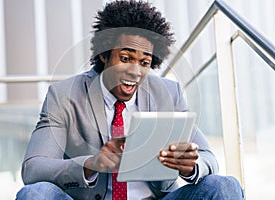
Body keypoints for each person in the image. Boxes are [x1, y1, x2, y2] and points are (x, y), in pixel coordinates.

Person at [16, 0, 243, 199]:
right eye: (125, 58)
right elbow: (33, 169)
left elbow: (208, 159)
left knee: (225, 186)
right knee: (35, 194)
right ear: (104, 55)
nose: (135, 71)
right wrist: (91, 164)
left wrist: (190, 167)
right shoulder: (65, 95)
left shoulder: (168, 93)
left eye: (144, 63)